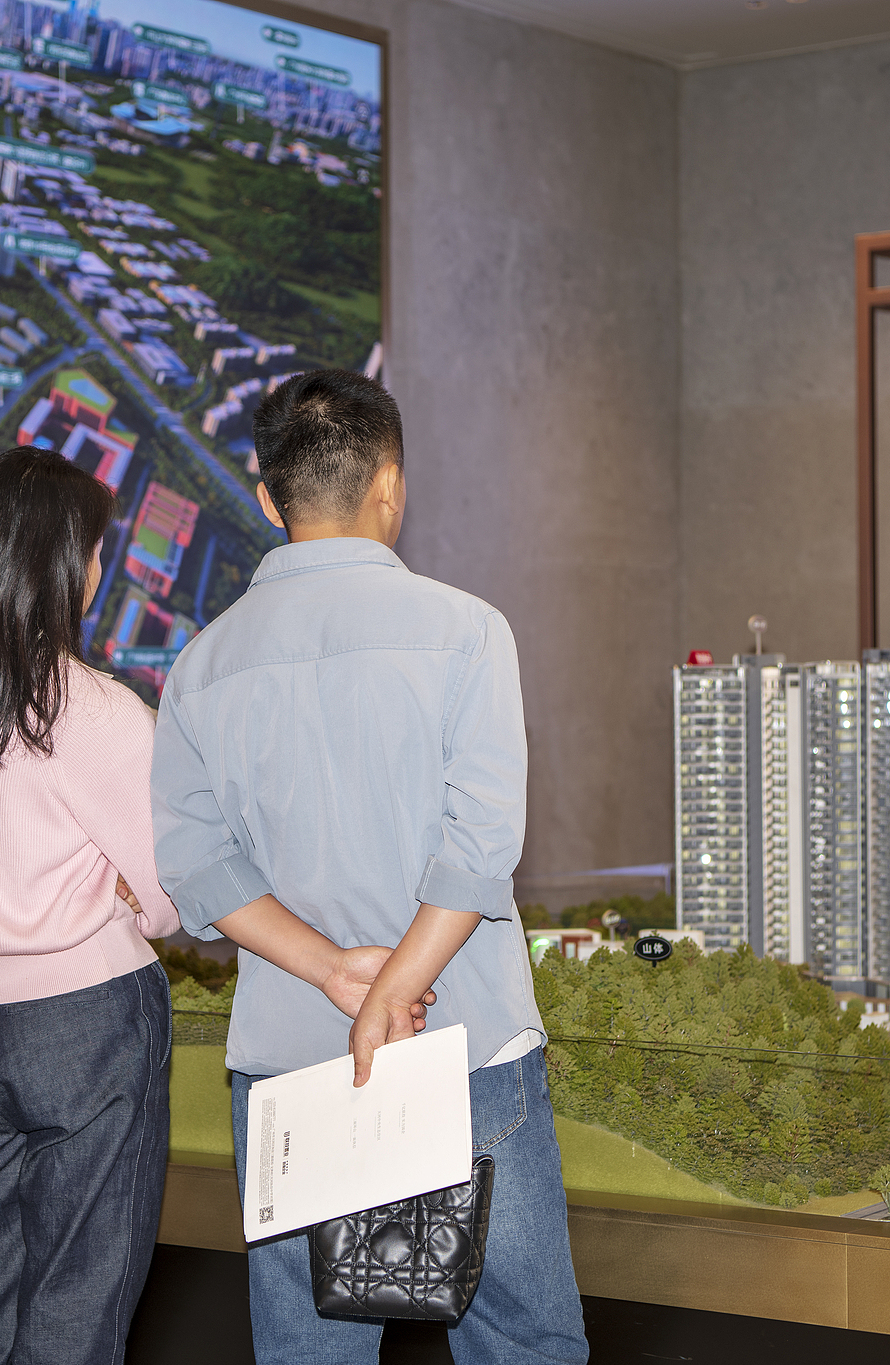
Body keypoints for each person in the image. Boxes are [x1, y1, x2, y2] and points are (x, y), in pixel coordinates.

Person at [152, 370, 590, 1364]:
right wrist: (397, 986)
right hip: (463, 1042)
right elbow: (478, 847)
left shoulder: (200, 666)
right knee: (522, 1344)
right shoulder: (467, 633)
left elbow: (196, 869)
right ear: (389, 484)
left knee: (311, 1353)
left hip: (289, 1062)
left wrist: (334, 973)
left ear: (267, 500)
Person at [0, 448, 181, 1365]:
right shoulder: (93, 708)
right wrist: (131, 893)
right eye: (94, 551)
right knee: (75, 1301)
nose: (99, 572)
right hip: (87, 1022)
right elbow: (170, 893)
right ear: (57, 559)